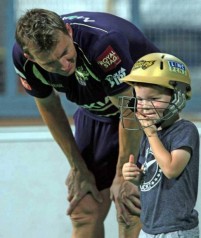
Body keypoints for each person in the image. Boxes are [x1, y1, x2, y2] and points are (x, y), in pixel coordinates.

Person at [12, 8, 160, 238]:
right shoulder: (23, 60)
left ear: (69, 32)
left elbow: (130, 110)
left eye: (66, 54)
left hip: (144, 111)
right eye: (50, 63)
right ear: (30, 57)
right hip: (96, 113)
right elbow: (50, 108)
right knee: (84, 209)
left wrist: (122, 176)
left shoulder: (102, 43)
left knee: (129, 206)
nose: (63, 66)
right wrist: (77, 167)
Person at [121, 52, 200, 237]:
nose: (145, 105)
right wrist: (135, 176)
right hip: (149, 227)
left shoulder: (185, 131)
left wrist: (151, 134)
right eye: (140, 99)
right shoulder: (150, 133)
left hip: (175, 230)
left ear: (177, 97)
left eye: (154, 99)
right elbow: (150, 176)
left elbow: (171, 169)